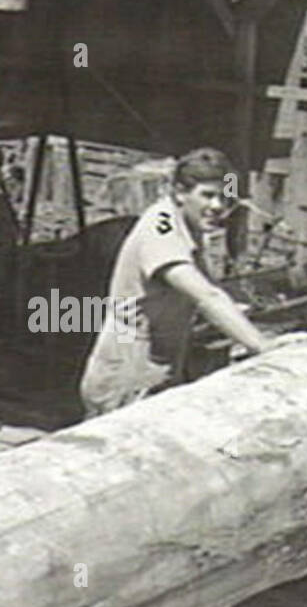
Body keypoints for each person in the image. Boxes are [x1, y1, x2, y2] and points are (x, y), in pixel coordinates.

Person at [78, 147, 277, 418]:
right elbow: (207, 297)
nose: (217, 206)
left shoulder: (187, 224)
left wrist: (241, 310)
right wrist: (263, 346)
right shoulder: (161, 230)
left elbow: (209, 288)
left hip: (157, 361)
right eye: (207, 195)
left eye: (223, 196)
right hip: (129, 366)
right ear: (180, 192)